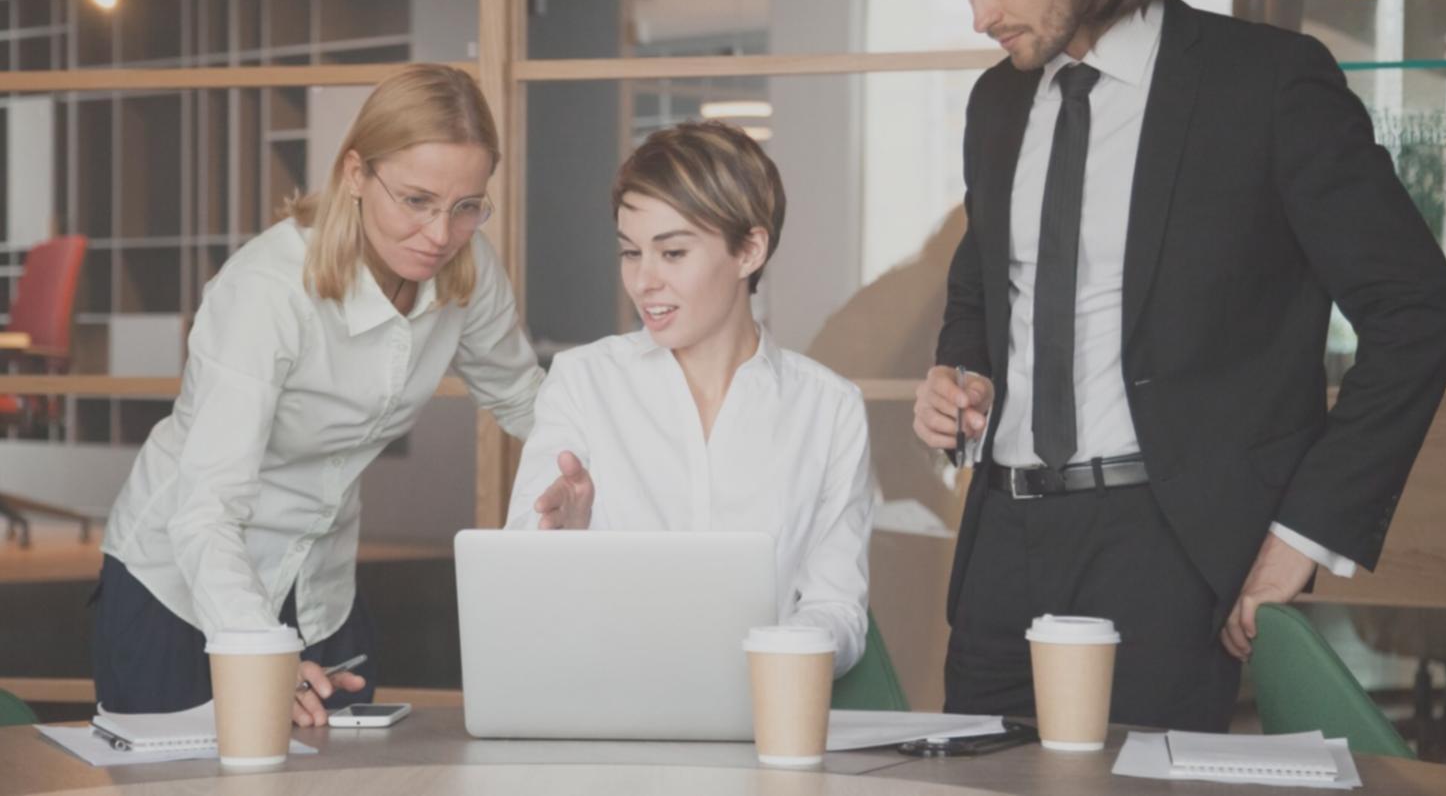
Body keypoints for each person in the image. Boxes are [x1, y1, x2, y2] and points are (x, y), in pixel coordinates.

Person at [909, 0, 1446, 730]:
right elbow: (983, 283)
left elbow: (1418, 312)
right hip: (1001, 549)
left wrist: (1302, 535)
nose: (980, 14)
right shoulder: (997, 103)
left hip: (1165, 550)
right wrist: (961, 371)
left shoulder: (1268, 85)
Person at [94, 64, 544, 725]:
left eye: (466, 206)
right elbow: (205, 510)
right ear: (356, 174)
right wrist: (260, 653)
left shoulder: (466, 273)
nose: (439, 235)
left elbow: (523, 398)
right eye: (416, 200)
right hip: (182, 585)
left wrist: (630, 466)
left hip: (319, 587)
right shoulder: (268, 293)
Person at [505, 120, 874, 677]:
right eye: (631, 253)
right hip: (607, 714)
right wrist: (565, 542)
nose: (643, 281)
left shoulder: (829, 410)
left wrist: (763, 657)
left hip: (760, 718)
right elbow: (517, 593)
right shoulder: (583, 382)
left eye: (672, 253)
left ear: (749, 250)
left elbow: (838, 609)